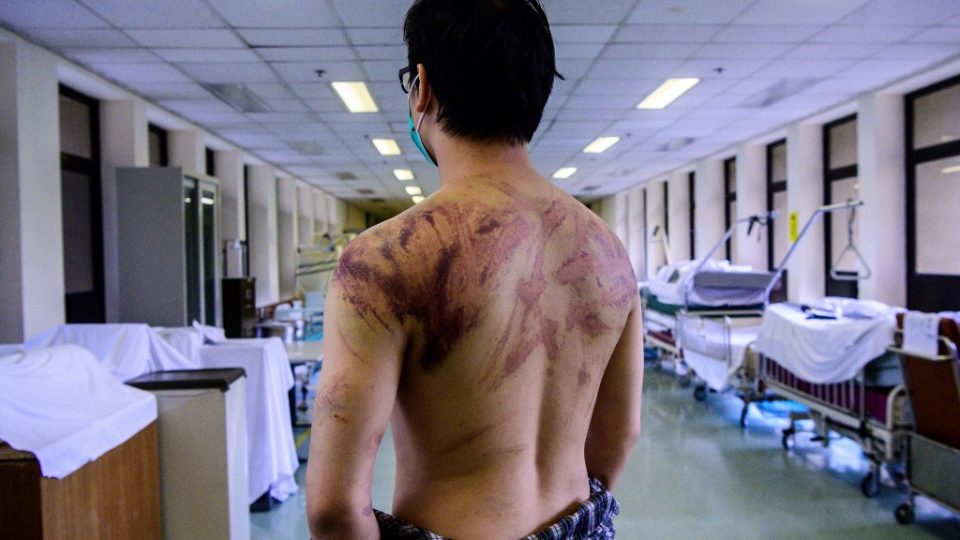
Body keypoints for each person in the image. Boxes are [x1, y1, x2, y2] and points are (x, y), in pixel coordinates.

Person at [306, 0, 643, 538]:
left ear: (421, 87)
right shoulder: (608, 251)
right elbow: (619, 436)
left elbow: (334, 507)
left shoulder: (382, 260)